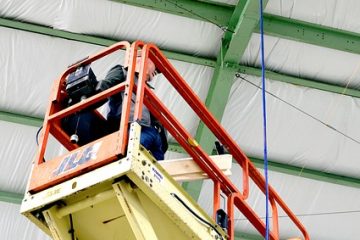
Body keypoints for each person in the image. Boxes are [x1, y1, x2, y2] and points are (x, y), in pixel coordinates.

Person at [62, 56, 168, 160]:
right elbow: (105, 87)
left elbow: (158, 119)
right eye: (156, 65)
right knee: (133, 155)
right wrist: (82, 102)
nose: (157, 72)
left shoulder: (149, 92)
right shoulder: (123, 72)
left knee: (156, 168)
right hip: (132, 129)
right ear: (141, 58)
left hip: (153, 137)